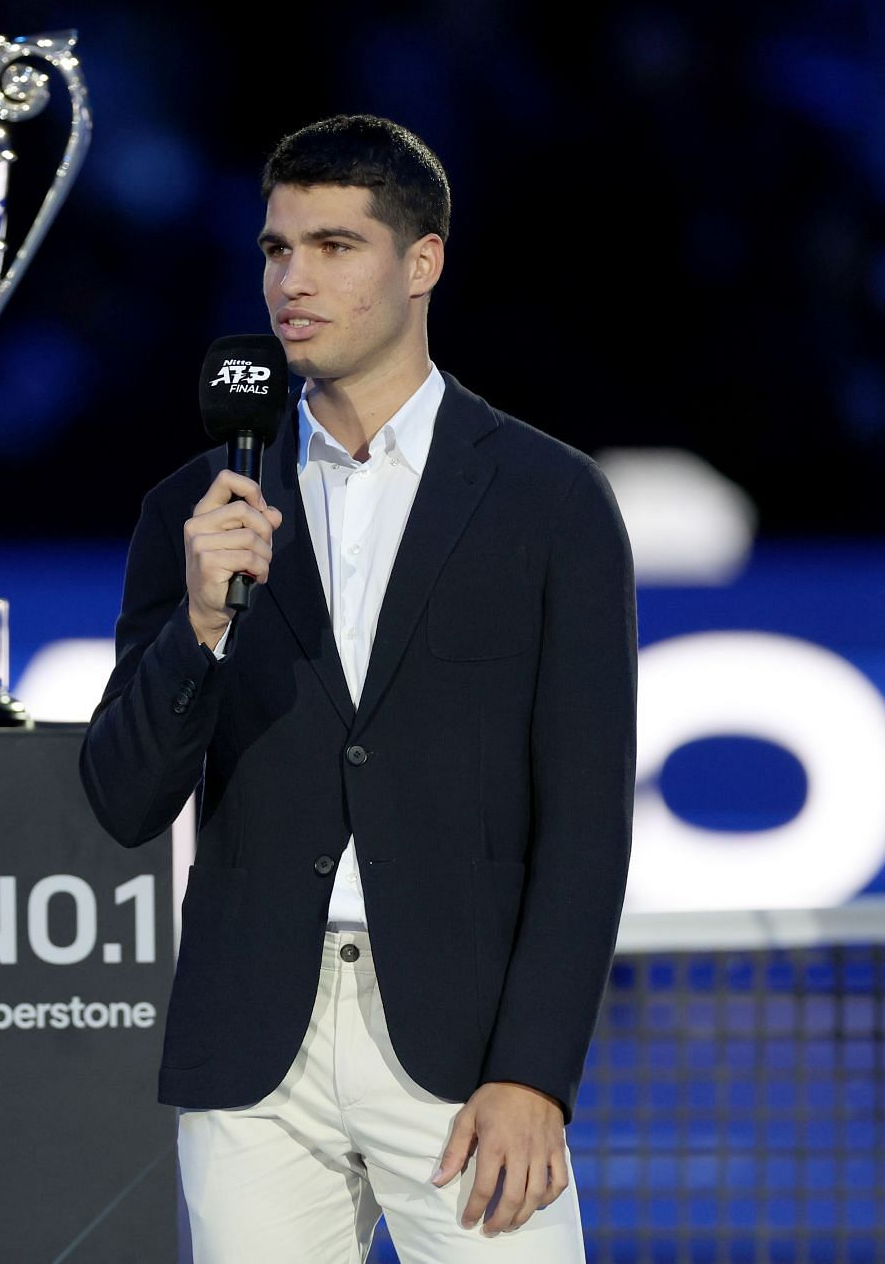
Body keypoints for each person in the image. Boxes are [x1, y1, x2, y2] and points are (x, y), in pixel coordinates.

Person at [79, 114, 637, 1262]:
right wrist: (197, 623)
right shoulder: (195, 510)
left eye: (334, 246)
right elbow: (123, 797)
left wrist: (535, 1072)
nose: (293, 280)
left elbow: (586, 819)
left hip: (463, 1049)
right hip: (252, 1057)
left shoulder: (551, 501)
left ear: (421, 261)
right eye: (277, 250)